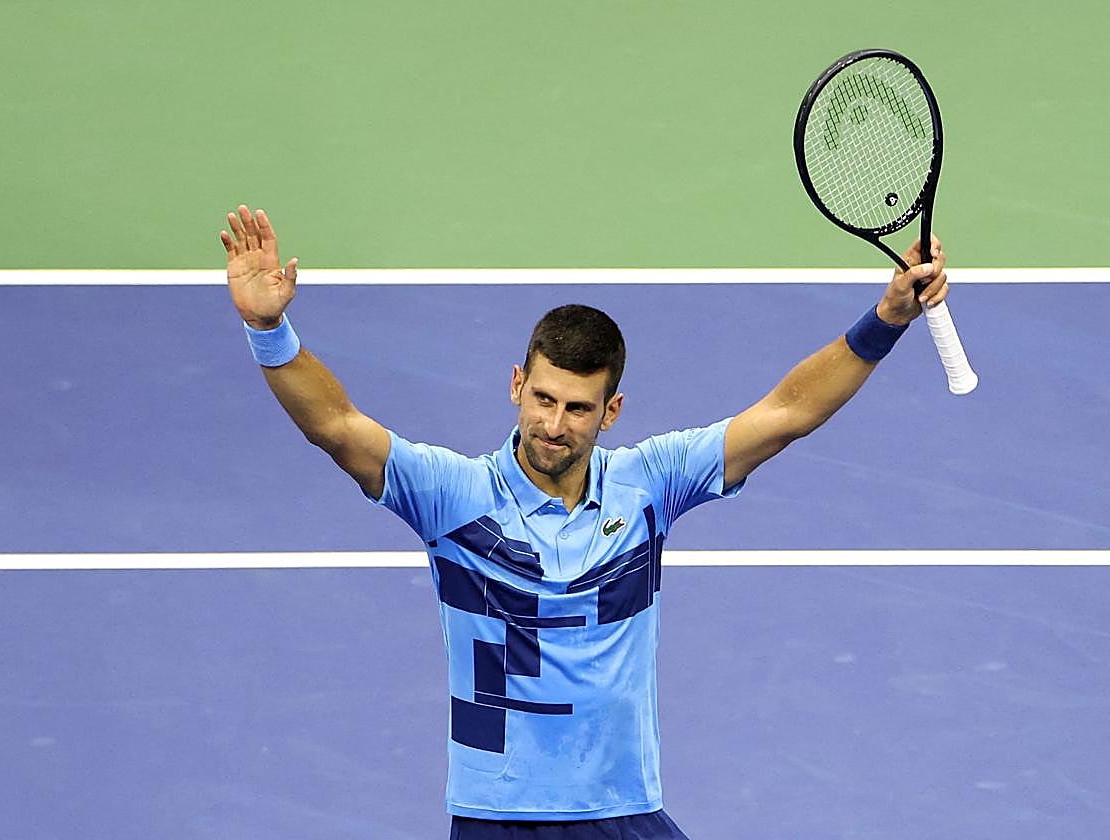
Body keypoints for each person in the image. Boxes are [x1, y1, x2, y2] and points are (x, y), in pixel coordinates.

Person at [219, 205, 949, 839]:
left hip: (619, 809)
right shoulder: (453, 494)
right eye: (542, 399)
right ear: (516, 385)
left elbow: (786, 413)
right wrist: (269, 329)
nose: (552, 424)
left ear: (611, 412)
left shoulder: (651, 484)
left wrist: (885, 319)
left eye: (575, 408)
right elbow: (339, 428)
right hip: (493, 815)